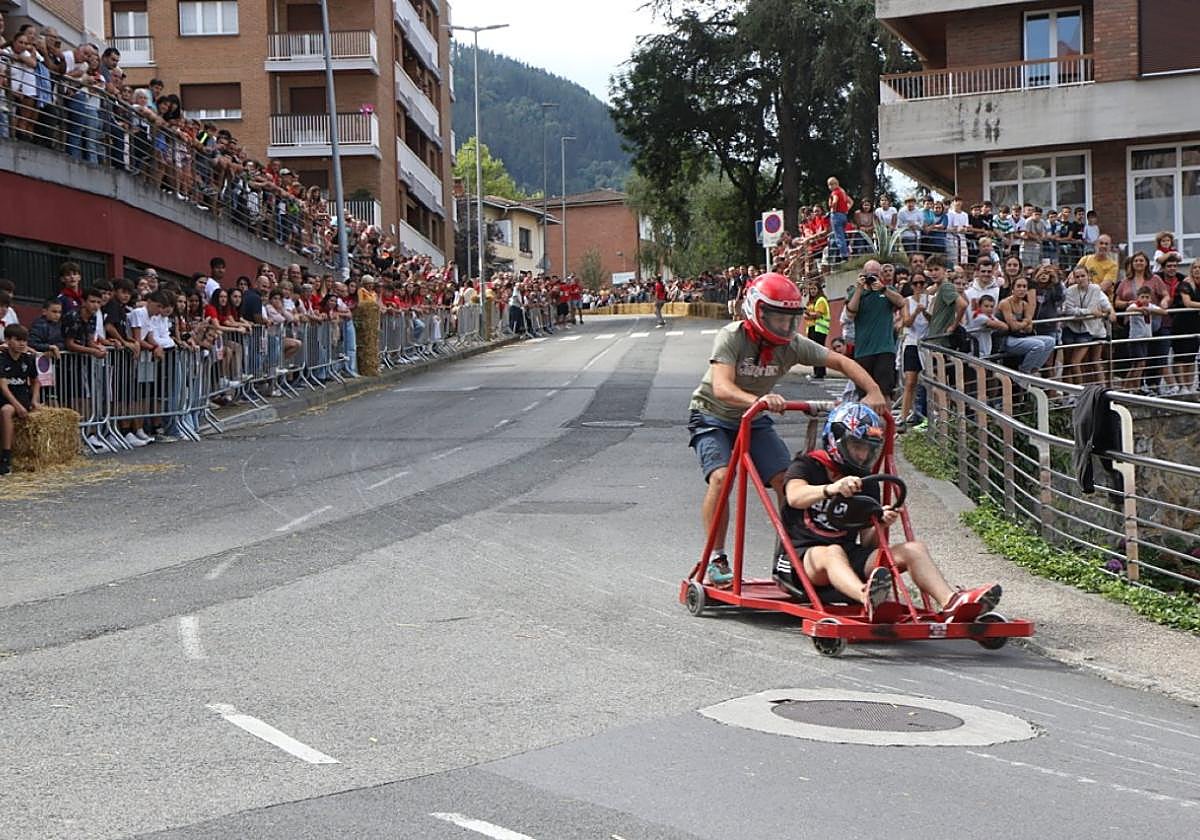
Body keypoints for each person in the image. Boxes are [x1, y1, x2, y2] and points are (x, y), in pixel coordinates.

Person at [688, 273, 887, 587]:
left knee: (788, 480)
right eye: (777, 318)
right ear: (757, 311)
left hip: (755, 418)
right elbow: (722, 387)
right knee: (722, 477)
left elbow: (841, 362)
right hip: (713, 415)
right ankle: (716, 558)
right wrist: (760, 400)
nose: (784, 326)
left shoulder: (793, 345)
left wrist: (873, 390)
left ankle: (792, 555)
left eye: (789, 319)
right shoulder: (733, 336)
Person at [775, 401, 1001, 621]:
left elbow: (868, 543)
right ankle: (867, 597)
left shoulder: (866, 481)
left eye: (867, 449)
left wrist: (881, 523)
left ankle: (951, 603)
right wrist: (831, 488)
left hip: (848, 558)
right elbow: (794, 497)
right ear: (837, 440)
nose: (862, 456)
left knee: (914, 549)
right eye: (856, 447)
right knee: (832, 551)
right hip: (800, 561)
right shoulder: (807, 466)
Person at [845, 259, 904, 398]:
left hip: (884, 349)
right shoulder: (856, 292)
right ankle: (867, 419)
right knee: (864, 394)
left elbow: (901, 302)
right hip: (863, 351)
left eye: (876, 274)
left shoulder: (888, 291)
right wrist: (860, 289)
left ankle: (885, 420)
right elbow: (850, 313)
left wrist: (883, 288)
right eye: (869, 275)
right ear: (863, 274)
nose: (872, 278)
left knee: (884, 393)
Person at [1, 324, 42, 475]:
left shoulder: (28, 359)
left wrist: (35, 400)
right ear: (7, 340)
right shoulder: (2, 358)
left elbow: (36, 381)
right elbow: (3, 386)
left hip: (21, 396)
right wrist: (17, 406)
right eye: (18, 340)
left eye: (24, 340)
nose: (22, 343)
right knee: (7, 408)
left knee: (7, 411)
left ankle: (12, 457)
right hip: (6, 397)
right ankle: (5, 454)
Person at [803, 280, 830, 379]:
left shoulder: (821, 300)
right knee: (814, 352)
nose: (812, 291)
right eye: (811, 289)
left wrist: (808, 314)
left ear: (819, 290)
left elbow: (818, 314)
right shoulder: (811, 301)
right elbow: (807, 316)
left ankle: (819, 372)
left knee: (818, 351)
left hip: (819, 328)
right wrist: (808, 315)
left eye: (814, 289)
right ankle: (817, 371)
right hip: (812, 328)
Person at [827, 176, 852, 260]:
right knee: (843, 235)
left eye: (830, 184)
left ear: (835, 184)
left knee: (839, 236)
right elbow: (851, 202)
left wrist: (833, 209)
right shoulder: (842, 192)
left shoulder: (835, 192)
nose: (830, 187)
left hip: (836, 215)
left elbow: (835, 201)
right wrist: (846, 209)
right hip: (844, 215)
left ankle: (844, 255)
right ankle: (846, 251)